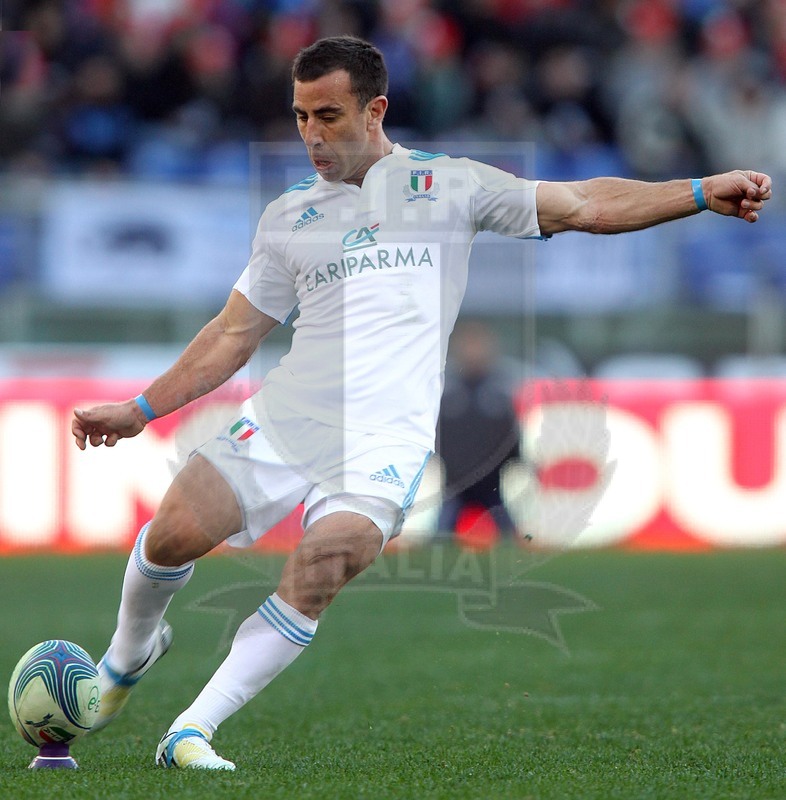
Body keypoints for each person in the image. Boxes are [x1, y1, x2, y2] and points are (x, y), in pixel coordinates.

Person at [71, 35, 773, 771]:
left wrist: (697, 192)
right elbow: (233, 333)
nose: (311, 134)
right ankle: (125, 659)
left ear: (375, 109)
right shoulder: (289, 217)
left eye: (329, 115)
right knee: (173, 533)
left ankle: (191, 730)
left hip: (386, 441)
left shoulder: (452, 185)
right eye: (301, 115)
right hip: (288, 419)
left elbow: (585, 204)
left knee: (325, 563)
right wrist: (141, 409)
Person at [437, 320, 520, 539]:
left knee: (509, 538)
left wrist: (514, 460)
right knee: (439, 539)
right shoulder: (448, 393)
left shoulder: (498, 392)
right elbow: (440, 436)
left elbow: (510, 435)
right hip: (454, 484)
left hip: (491, 483)